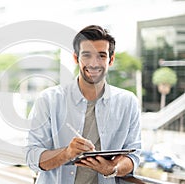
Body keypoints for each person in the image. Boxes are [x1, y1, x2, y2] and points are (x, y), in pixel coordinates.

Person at [25, 25, 142, 184]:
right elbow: (32, 157)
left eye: (101, 55)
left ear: (111, 60)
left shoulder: (128, 102)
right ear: (76, 58)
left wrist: (112, 168)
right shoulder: (49, 100)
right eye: (87, 55)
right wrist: (67, 153)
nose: (94, 63)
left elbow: (133, 157)